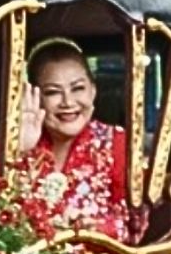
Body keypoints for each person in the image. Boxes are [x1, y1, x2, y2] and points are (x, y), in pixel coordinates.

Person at [9, 38, 129, 239]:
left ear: (93, 90)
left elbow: (134, 223)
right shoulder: (15, 142)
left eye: (78, 88)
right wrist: (19, 151)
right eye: (53, 92)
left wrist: (97, 228)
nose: (68, 102)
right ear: (34, 97)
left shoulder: (116, 143)